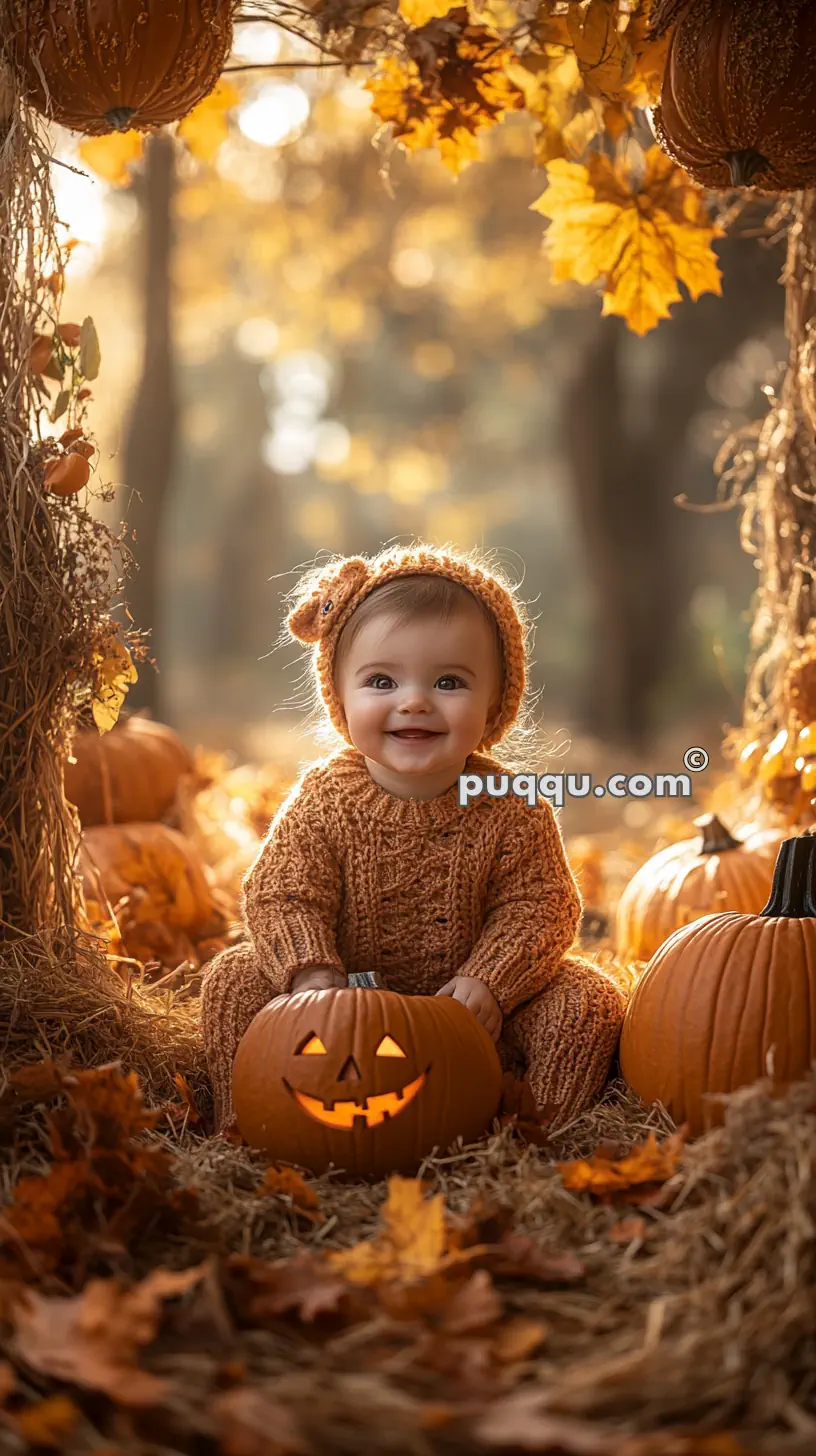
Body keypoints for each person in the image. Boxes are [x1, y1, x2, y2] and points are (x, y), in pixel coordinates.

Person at [200, 543, 625, 1133]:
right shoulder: (325, 800)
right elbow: (281, 894)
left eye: (449, 680)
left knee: (585, 1001)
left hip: (477, 1026)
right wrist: (310, 973)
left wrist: (490, 981)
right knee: (233, 979)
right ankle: (247, 1120)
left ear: (495, 701)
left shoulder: (511, 806)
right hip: (337, 1031)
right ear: (340, 698)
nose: (415, 701)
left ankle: (534, 1128)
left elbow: (542, 904)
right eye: (381, 680)